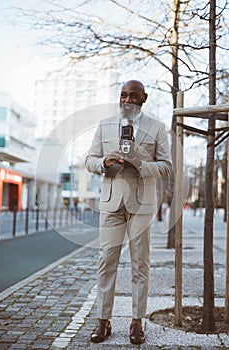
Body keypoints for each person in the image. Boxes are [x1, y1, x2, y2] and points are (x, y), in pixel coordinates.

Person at [85, 80, 172, 344]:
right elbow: (88, 160)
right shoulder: (105, 125)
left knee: (140, 264)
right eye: (123, 95)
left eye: (133, 96)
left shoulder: (157, 127)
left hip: (142, 205)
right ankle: (103, 320)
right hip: (111, 203)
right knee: (106, 262)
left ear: (144, 98)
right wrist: (104, 162)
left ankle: (137, 322)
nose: (127, 100)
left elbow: (166, 166)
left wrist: (140, 164)